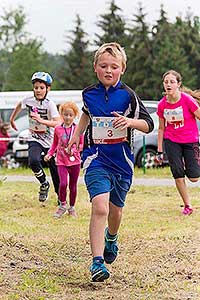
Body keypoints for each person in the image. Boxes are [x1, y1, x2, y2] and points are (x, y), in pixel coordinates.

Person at [67, 42, 154, 282]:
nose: (108, 70)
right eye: (103, 66)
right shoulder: (88, 94)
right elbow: (86, 113)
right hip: (96, 158)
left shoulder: (128, 95)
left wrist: (129, 123)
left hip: (122, 163)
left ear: (122, 69)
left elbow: (149, 124)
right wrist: (76, 135)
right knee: (100, 207)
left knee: (115, 212)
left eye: (114, 67)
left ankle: (112, 238)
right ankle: (97, 263)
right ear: (95, 68)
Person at [10, 72, 60, 204]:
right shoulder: (28, 100)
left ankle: (60, 197)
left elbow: (58, 123)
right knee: (33, 161)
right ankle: (44, 183)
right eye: (36, 87)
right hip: (35, 137)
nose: (38, 90)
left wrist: (42, 121)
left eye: (41, 88)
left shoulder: (50, 105)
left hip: (50, 141)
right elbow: (19, 105)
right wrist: (12, 120)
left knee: (54, 169)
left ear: (48, 89)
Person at [156, 69, 200, 215]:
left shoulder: (187, 100)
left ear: (178, 84)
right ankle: (187, 205)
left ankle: (191, 163)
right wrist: (160, 151)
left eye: (172, 82)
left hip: (190, 140)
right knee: (177, 172)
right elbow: (161, 128)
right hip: (171, 140)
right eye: (166, 82)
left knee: (194, 177)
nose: (168, 84)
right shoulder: (162, 105)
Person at [44, 101, 84, 218]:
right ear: (62, 115)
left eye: (70, 115)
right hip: (61, 161)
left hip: (75, 161)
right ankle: (62, 205)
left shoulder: (78, 129)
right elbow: (55, 144)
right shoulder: (57, 129)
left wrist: (75, 150)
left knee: (73, 186)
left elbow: (81, 145)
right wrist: (49, 154)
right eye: (65, 114)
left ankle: (71, 207)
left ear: (75, 116)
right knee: (63, 184)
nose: (68, 117)